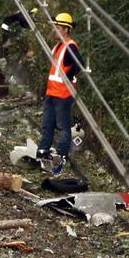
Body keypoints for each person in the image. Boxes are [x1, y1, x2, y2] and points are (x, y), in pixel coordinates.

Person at [38, 13, 83, 177]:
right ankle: (43, 152)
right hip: (52, 93)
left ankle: (61, 157)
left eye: (57, 27)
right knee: (47, 124)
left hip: (63, 95)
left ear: (65, 29)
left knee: (64, 127)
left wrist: (68, 77)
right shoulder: (58, 46)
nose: (54, 30)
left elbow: (79, 64)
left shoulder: (70, 46)